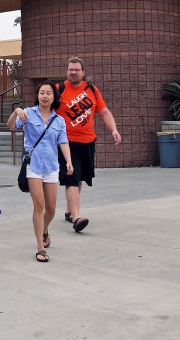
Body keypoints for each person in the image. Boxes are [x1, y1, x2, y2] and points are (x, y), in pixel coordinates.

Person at [55, 56, 122, 233]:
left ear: (83, 72)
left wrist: (114, 130)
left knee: (80, 177)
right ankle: (76, 218)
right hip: (66, 142)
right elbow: (44, 110)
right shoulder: (58, 90)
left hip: (88, 141)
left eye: (77, 70)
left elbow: (104, 111)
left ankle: (70, 211)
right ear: (67, 71)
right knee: (72, 176)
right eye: (71, 69)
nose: (73, 72)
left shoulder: (92, 90)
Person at [8, 81, 73, 263]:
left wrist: (68, 161)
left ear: (54, 97)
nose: (44, 96)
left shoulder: (59, 120)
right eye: (42, 92)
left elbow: (63, 142)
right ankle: (40, 247)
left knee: (51, 209)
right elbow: (11, 126)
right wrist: (16, 112)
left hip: (51, 166)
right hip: (33, 165)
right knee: (39, 205)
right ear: (38, 95)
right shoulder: (28, 113)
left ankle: (44, 230)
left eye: (48, 93)